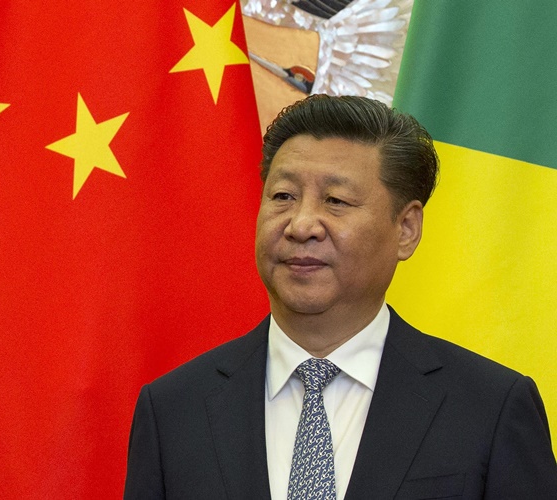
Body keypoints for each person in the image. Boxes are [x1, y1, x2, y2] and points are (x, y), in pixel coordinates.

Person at [124, 95, 557, 499]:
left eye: (336, 200)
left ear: (406, 229)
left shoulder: (491, 408)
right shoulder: (173, 409)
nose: (301, 225)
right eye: (283, 196)